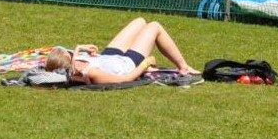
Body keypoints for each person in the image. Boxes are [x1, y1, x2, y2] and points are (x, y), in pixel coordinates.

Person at [44, 17, 199, 84]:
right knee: (154, 26)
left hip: (108, 56)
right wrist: (145, 64)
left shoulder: (75, 64)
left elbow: (73, 56)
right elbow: (125, 80)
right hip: (127, 63)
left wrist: (81, 48)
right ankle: (183, 66)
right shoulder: (90, 73)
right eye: (69, 54)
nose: (72, 54)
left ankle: (183, 65)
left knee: (140, 21)